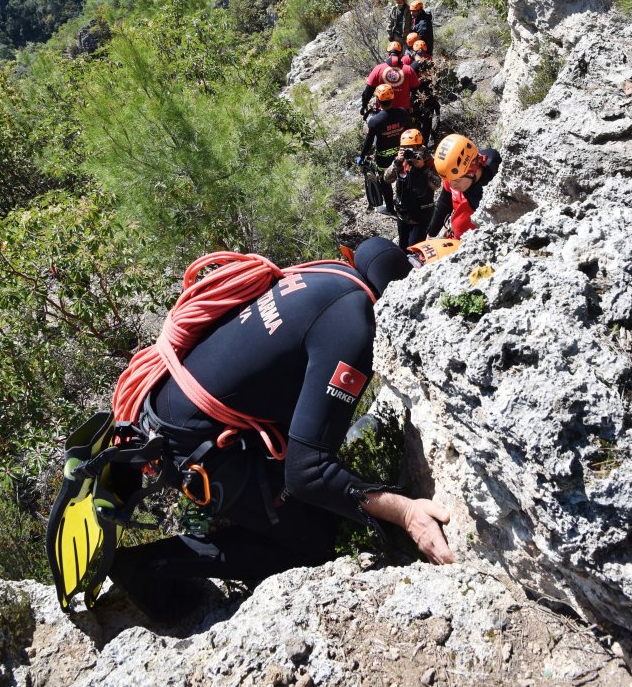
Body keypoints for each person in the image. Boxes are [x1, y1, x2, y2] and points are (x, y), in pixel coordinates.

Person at [107, 237, 454, 623]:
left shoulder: (331, 275)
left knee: (326, 505)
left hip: (168, 400)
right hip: (191, 444)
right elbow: (308, 473)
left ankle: (254, 508)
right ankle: (144, 566)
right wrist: (406, 513)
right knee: (313, 542)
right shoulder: (354, 326)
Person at [427, 133, 501, 239]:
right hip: (454, 236)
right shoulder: (453, 174)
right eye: (449, 180)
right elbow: (443, 205)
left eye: (456, 180)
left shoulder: (494, 187)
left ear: (472, 171)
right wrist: (431, 234)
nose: (452, 185)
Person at [358, 84, 410, 214]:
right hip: (401, 153)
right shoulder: (403, 113)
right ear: (392, 98)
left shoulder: (375, 121)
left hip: (383, 158)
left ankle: (390, 209)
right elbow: (410, 131)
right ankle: (406, 203)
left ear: (378, 100)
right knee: (403, 177)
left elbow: (369, 141)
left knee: (385, 182)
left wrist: (362, 155)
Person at [383, 129, 440, 249]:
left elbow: (437, 184)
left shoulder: (429, 161)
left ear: (419, 146)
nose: (408, 151)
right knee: (403, 247)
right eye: (404, 148)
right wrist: (395, 164)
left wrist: (423, 169)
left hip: (421, 215)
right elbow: (387, 179)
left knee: (414, 249)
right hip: (403, 213)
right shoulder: (400, 161)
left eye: (411, 147)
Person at [361, 43, 420, 114]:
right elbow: (416, 91)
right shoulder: (408, 69)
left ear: (388, 54)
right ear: (401, 54)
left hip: (382, 112)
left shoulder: (378, 69)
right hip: (404, 112)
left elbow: (368, 90)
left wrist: (364, 105)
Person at [411, 42, 441, 145]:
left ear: (414, 52)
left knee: (417, 122)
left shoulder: (412, 67)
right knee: (427, 122)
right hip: (429, 96)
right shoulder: (431, 64)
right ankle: (425, 144)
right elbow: (436, 81)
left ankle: (417, 144)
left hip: (416, 98)